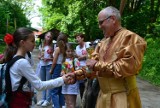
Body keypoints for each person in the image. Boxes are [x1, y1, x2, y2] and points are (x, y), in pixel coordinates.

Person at [86, 6, 147, 108]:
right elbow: (93, 67)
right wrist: (76, 75)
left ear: (113, 19)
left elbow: (128, 67)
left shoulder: (131, 38)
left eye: (101, 22)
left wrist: (97, 65)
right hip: (103, 97)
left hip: (123, 97)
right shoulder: (103, 43)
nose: (99, 26)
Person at [3, 28, 75, 108]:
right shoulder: (22, 62)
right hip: (18, 102)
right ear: (22, 43)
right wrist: (62, 80)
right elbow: (39, 85)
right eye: (32, 41)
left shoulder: (15, 58)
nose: (34, 44)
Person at [49, 32, 68, 108]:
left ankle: (56, 106)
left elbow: (54, 61)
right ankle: (62, 105)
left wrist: (51, 70)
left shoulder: (57, 49)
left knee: (54, 90)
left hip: (56, 67)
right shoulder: (65, 48)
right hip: (62, 67)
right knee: (60, 88)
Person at [37, 31, 54, 107]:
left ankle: (48, 100)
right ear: (45, 36)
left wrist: (49, 58)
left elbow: (54, 58)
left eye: (50, 37)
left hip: (49, 65)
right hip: (42, 65)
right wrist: (40, 57)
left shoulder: (52, 46)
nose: (48, 38)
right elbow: (39, 55)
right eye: (47, 36)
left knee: (49, 83)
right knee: (43, 83)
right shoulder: (41, 45)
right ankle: (43, 99)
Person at [61, 43, 80, 108]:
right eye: (68, 51)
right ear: (65, 52)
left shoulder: (75, 60)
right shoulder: (64, 60)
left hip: (72, 83)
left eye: (71, 51)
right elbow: (63, 70)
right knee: (67, 103)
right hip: (65, 83)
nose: (70, 53)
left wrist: (73, 73)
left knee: (72, 104)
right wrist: (62, 73)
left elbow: (79, 71)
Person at [75, 33, 90, 100]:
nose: (76, 39)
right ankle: (82, 102)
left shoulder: (87, 44)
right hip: (79, 69)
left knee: (88, 86)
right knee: (81, 86)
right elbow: (77, 57)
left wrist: (81, 57)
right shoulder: (77, 47)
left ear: (82, 38)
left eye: (78, 37)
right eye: (76, 38)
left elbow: (89, 54)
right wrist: (83, 57)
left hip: (87, 68)